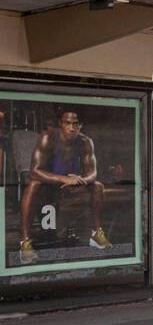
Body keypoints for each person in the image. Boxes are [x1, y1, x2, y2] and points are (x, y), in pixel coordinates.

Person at [17, 107, 109, 265]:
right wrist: (62, 179)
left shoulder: (85, 142)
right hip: (48, 182)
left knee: (98, 186)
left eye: (76, 124)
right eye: (67, 123)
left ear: (81, 125)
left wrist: (81, 180)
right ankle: (25, 242)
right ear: (60, 123)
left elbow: (93, 173)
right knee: (33, 184)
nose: (72, 128)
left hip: (70, 183)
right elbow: (35, 171)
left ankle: (96, 234)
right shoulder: (47, 138)